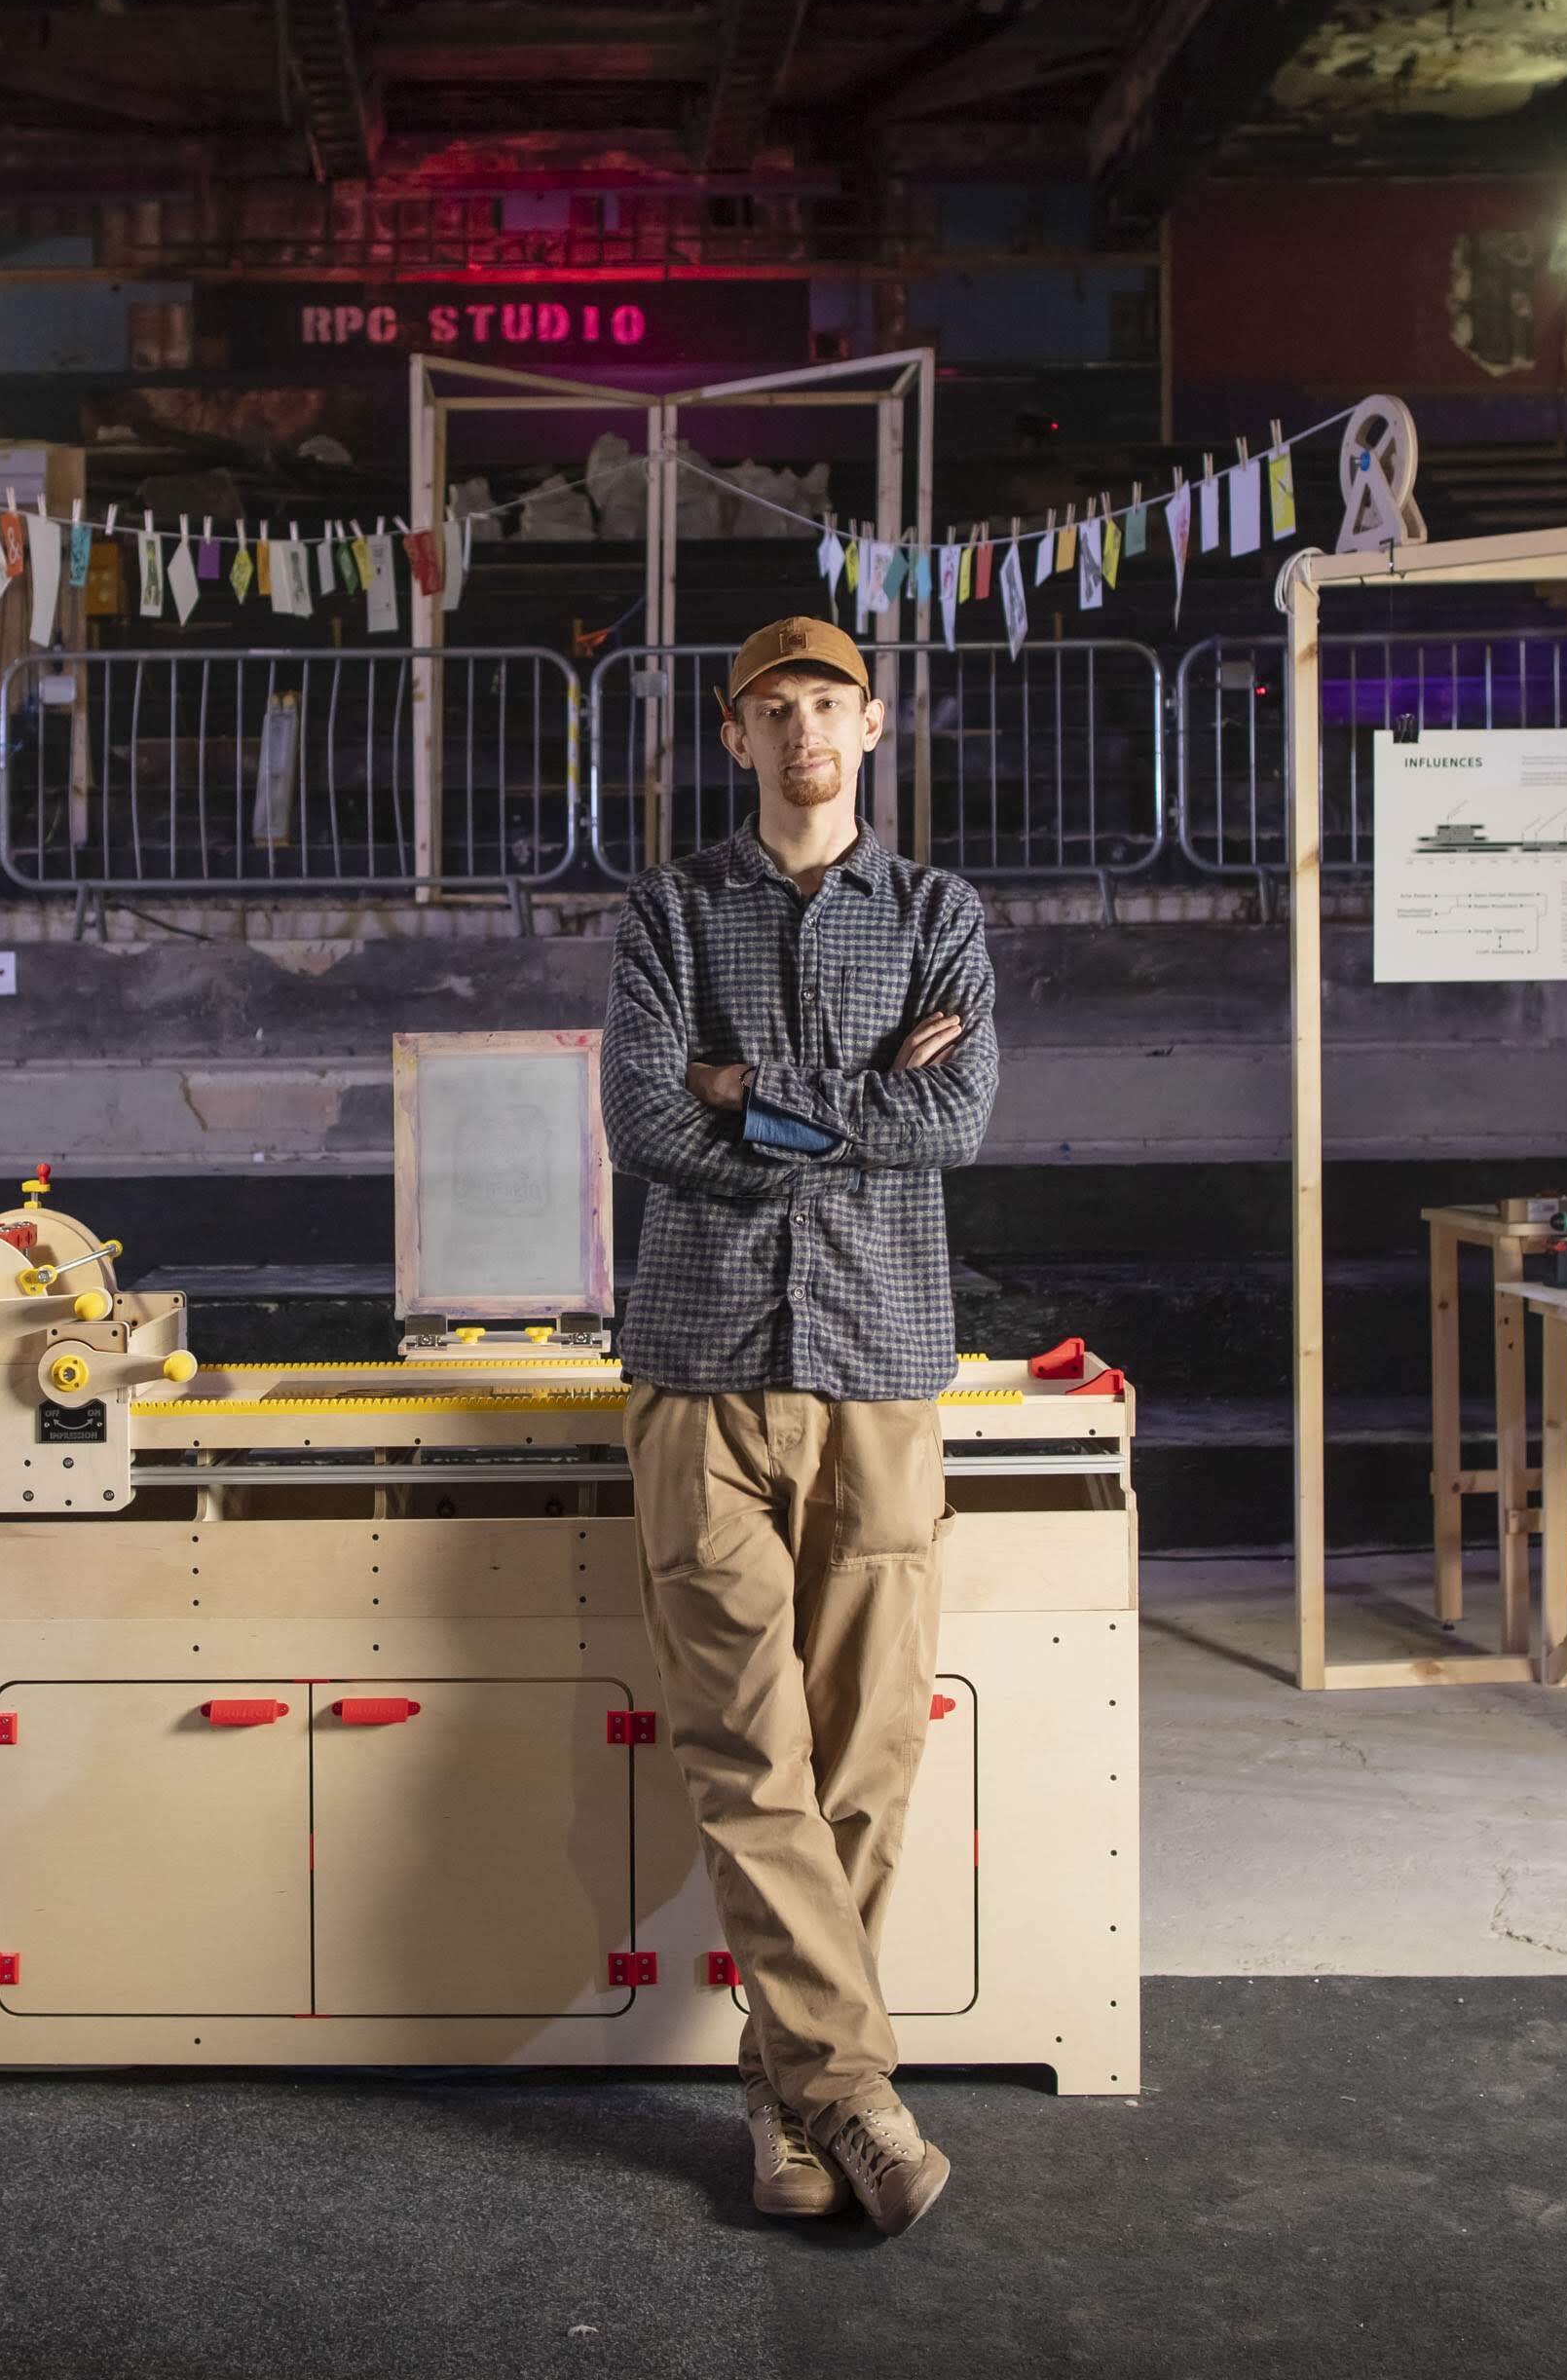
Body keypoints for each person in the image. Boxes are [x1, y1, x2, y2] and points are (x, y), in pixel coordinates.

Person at [602, 614, 997, 2236]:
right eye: (775, 709)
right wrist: (849, 1097)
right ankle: (857, 2094)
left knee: (870, 1755)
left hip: (887, 1360)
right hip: (699, 1365)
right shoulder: (671, 911)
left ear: (876, 725)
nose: (805, 732)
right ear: (735, 736)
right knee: (746, 1746)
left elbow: (958, 1118)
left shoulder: (940, 915)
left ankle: (794, 2099)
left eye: (830, 703)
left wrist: (743, 1091)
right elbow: (641, 1116)